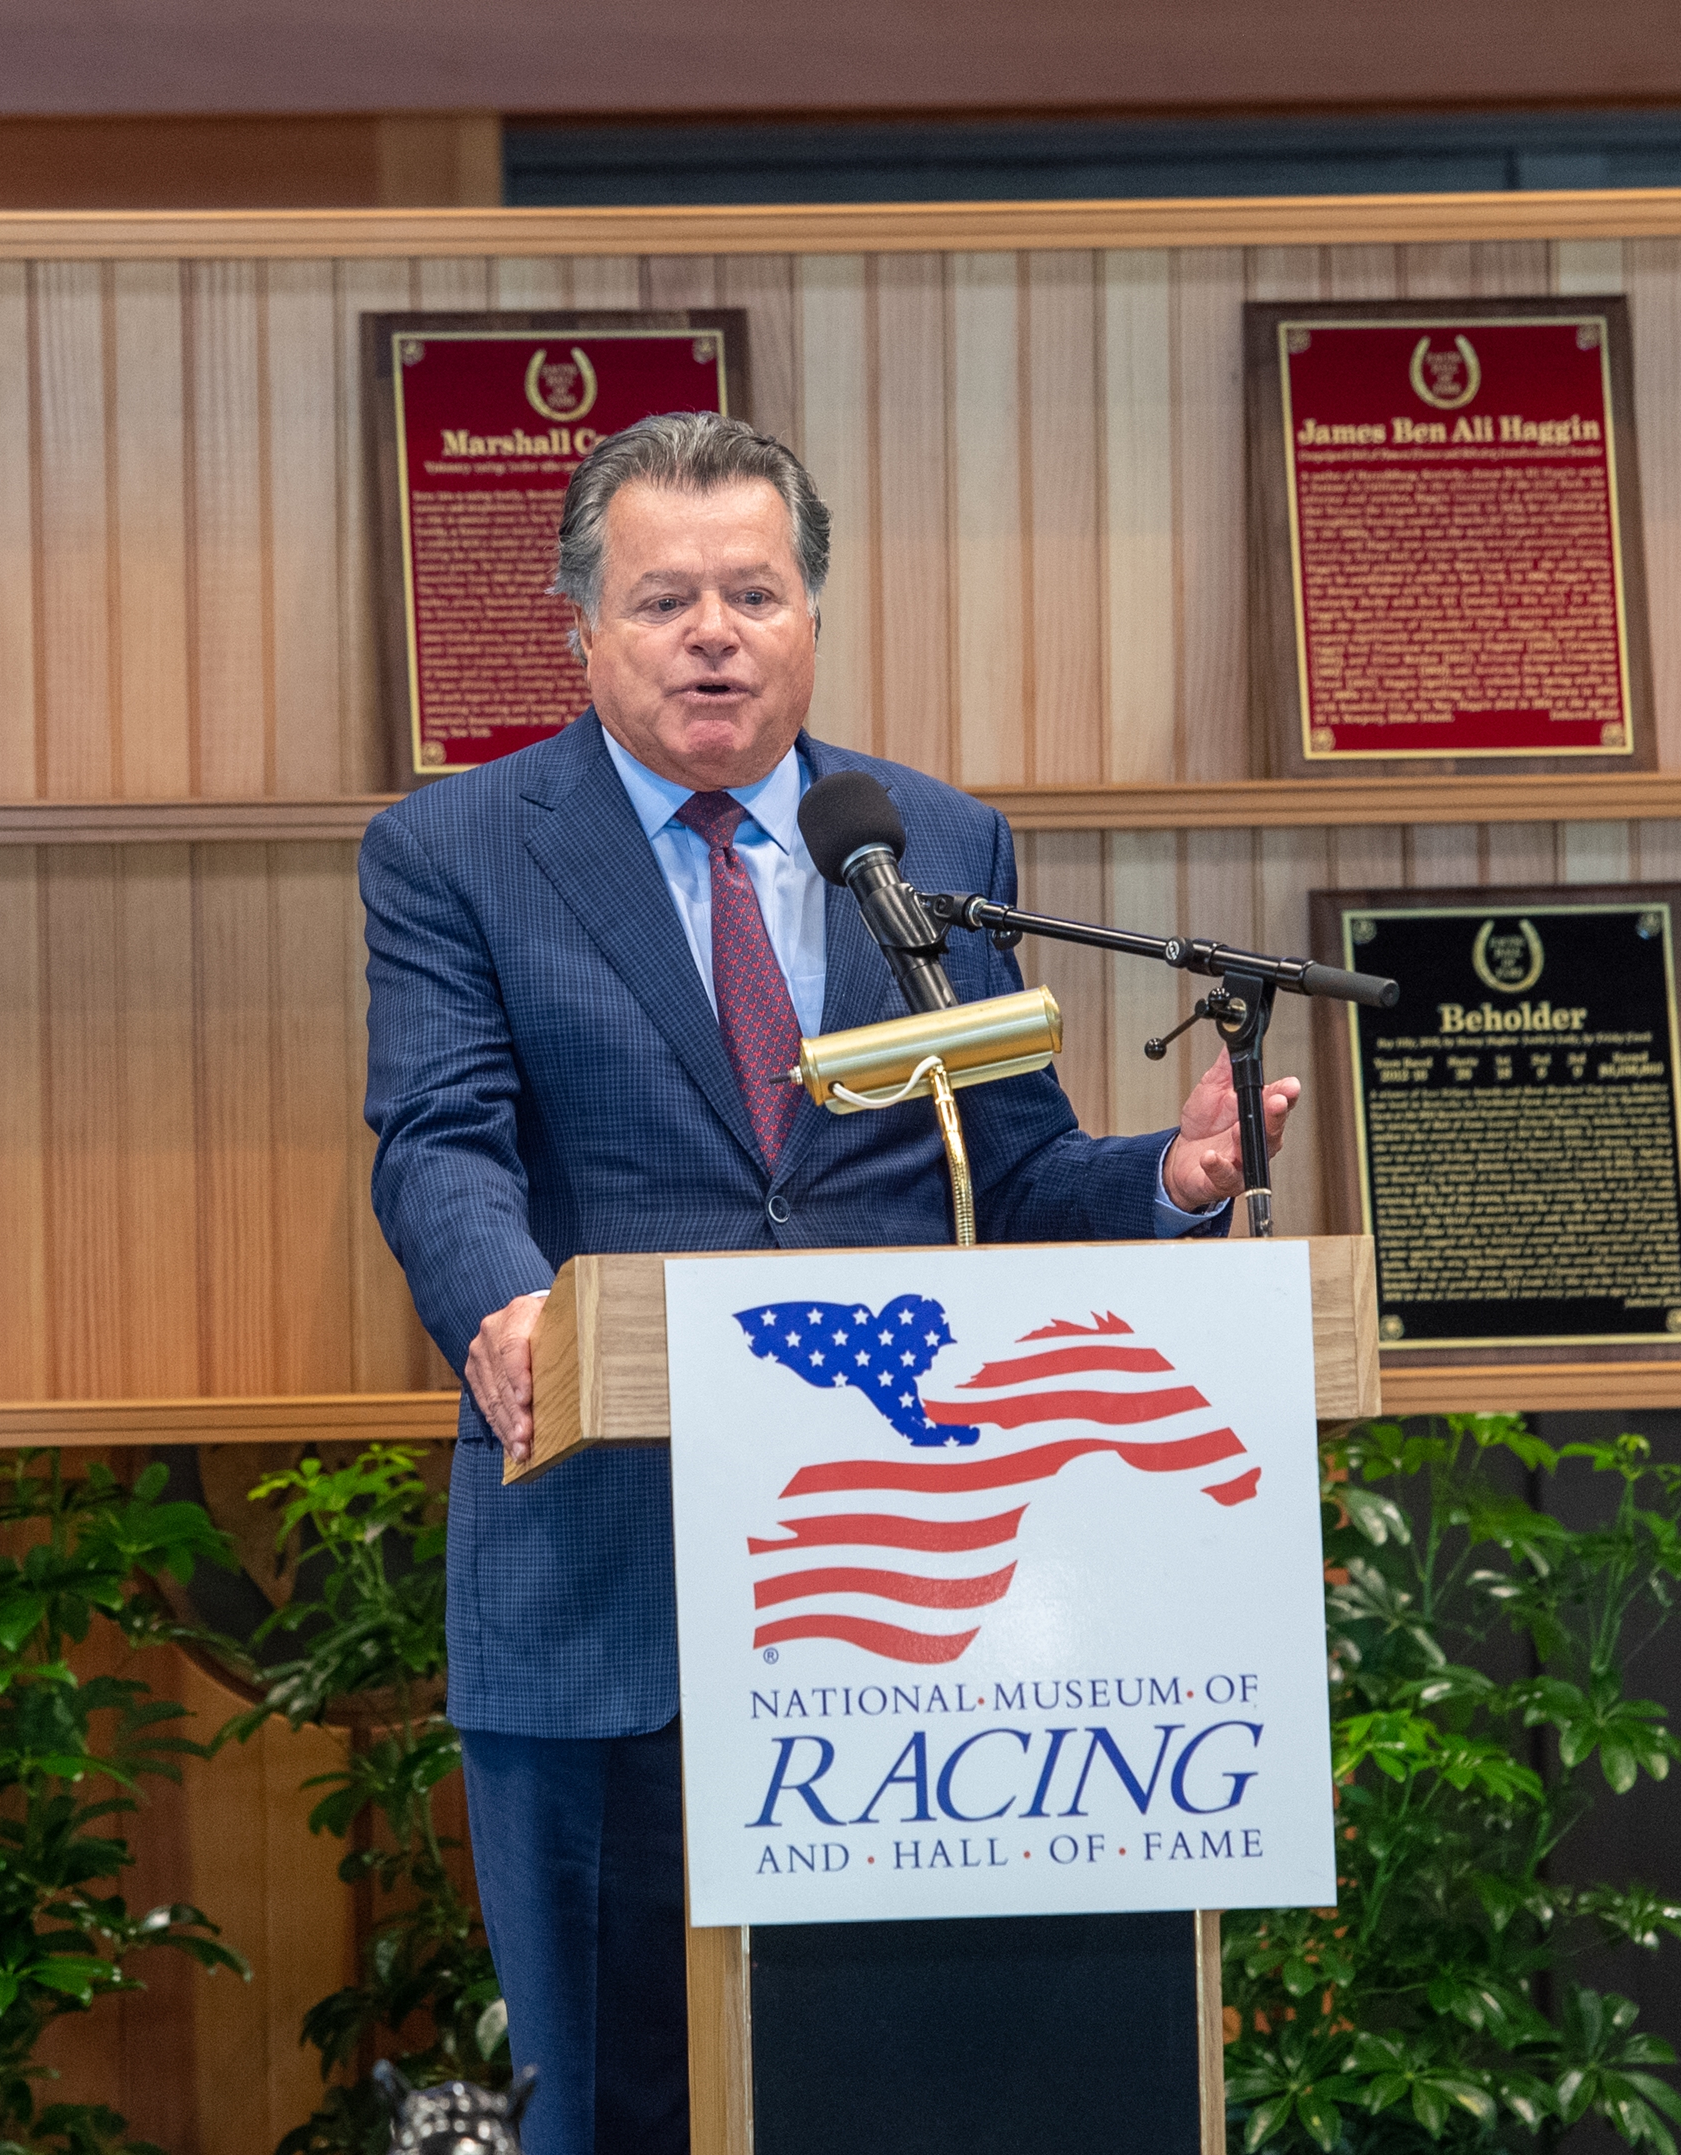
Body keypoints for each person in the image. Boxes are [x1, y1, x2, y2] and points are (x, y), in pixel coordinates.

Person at [359, 413, 1299, 2155]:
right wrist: (503, 1308)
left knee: (905, 2083)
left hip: (923, 1618)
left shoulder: (922, 843)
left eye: (752, 592)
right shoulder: (457, 851)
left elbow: (1006, 1175)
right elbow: (435, 1136)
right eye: (664, 599)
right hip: (607, 1560)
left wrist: (1169, 1183)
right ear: (583, 631)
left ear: (809, 617)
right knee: (620, 2096)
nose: (713, 631)